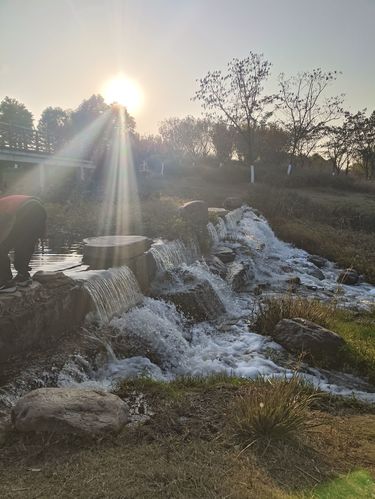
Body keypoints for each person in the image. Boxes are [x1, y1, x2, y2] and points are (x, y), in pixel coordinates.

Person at [0, 195, 46, 293]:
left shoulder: (2, 206)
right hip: (36, 209)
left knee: (4, 247)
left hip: (29, 210)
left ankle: (6, 282)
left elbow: (4, 225)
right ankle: (23, 276)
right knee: (24, 244)